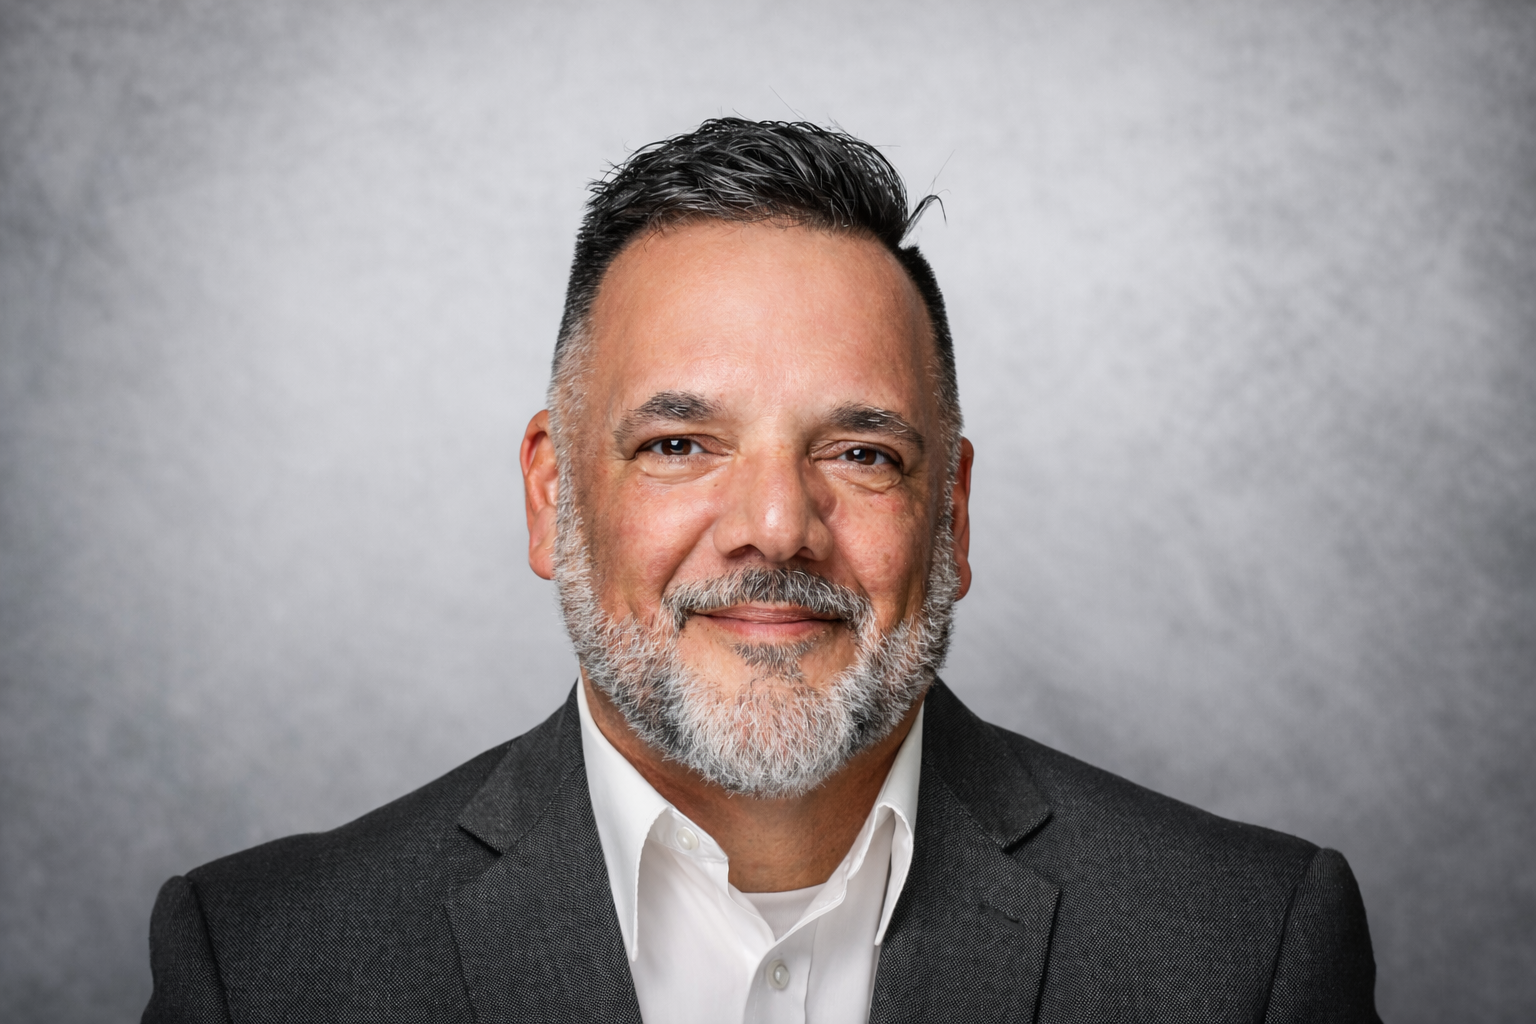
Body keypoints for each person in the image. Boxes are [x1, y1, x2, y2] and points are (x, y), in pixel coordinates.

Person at [141, 119, 1380, 1023]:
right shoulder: (264, 967)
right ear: (551, 492)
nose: (778, 523)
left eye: (859, 449)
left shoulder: (1242, 955)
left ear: (950, 514)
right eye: (680, 444)